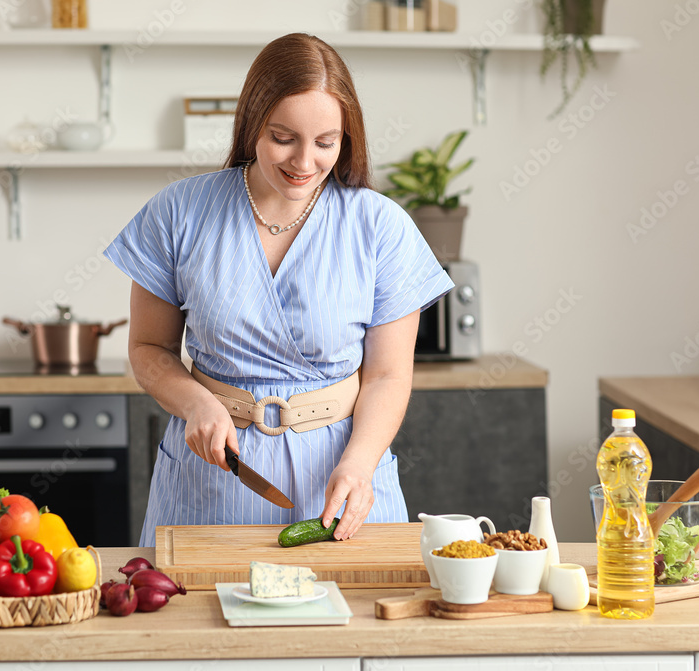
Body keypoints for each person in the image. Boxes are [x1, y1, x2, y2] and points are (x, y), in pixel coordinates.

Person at [105, 33, 454, 547]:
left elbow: (387, 375)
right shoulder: (179, 212)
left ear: (346, 139)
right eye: (283, 137)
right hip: (213, 476)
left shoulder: (381, 226)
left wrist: (359, 467)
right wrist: (196, 404)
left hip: (342, 477)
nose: (304, 162)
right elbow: (149, 349)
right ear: (252, 124)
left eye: (325, 142)